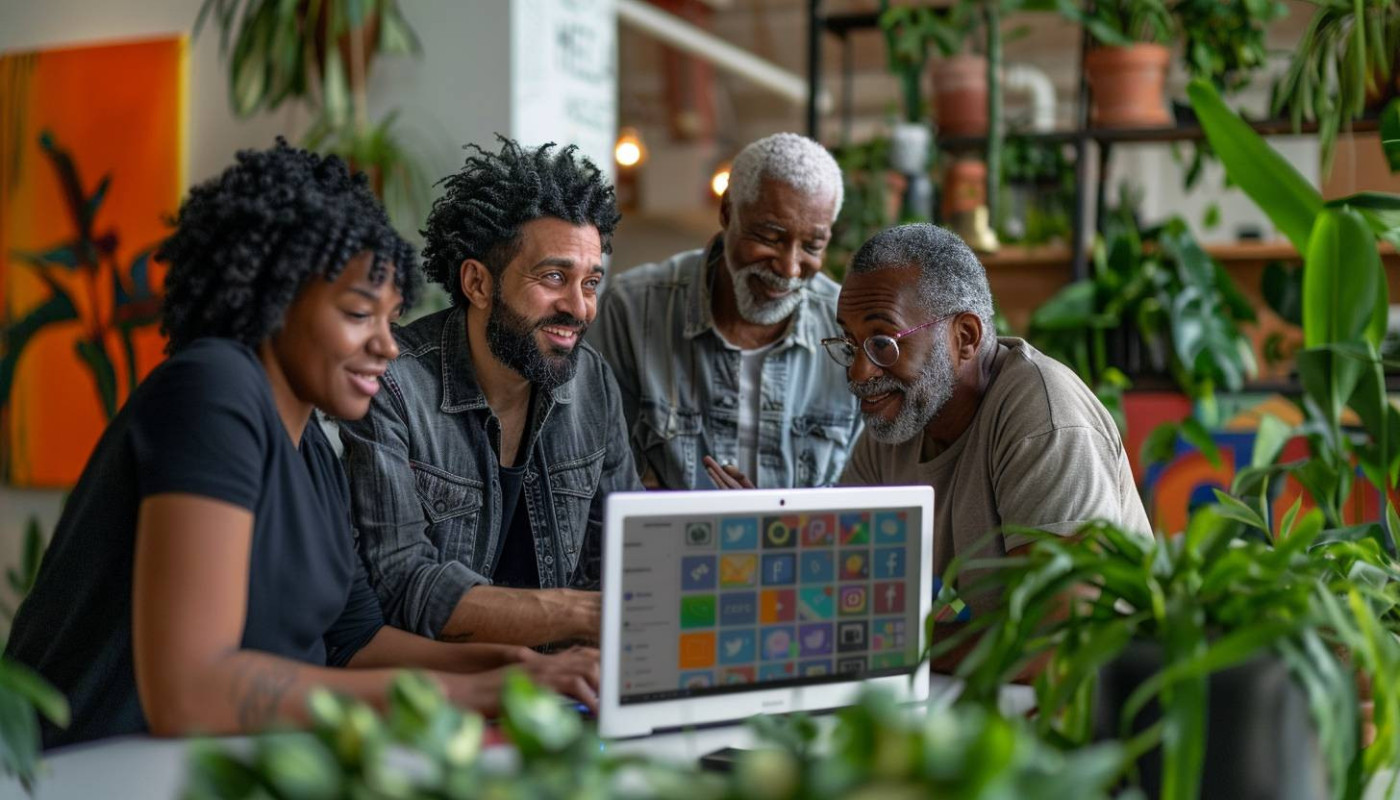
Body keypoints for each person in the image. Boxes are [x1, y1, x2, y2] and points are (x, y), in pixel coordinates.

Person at [4, 142, 598, 751]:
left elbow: (353, 642)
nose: (387, 344)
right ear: (276, 300)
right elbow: (190, 690)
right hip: (80, 774)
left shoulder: (312, 443)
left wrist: (510, 667)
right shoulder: (212, 390)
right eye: (358, 313)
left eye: (390, 317)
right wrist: (472, 695)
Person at [339, 138, 640, 649]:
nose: (579, 307)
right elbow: (400, 582)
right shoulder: (390, 386)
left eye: (590, 283)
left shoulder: (593, 383)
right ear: (478, 283)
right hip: (432, 696)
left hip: (562, 691)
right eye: (553, 277)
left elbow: (624, 555)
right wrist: (580, 615)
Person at [830, 224, 1151, 664]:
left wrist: (898, 645)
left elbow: (1057, 638)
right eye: (850, 344)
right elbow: (843, 591)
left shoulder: (1042, 414)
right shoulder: (897, 425)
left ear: (965, 337)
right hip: (977, 700)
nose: (859, 373)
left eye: (883, 342)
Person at [590, 132, 861, 490]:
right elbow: (597, 472)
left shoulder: (848, 330)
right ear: (727, 211)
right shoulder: (632, 311)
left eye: (812, 245)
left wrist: (763, 523)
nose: (790, 268)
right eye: (770, 237)